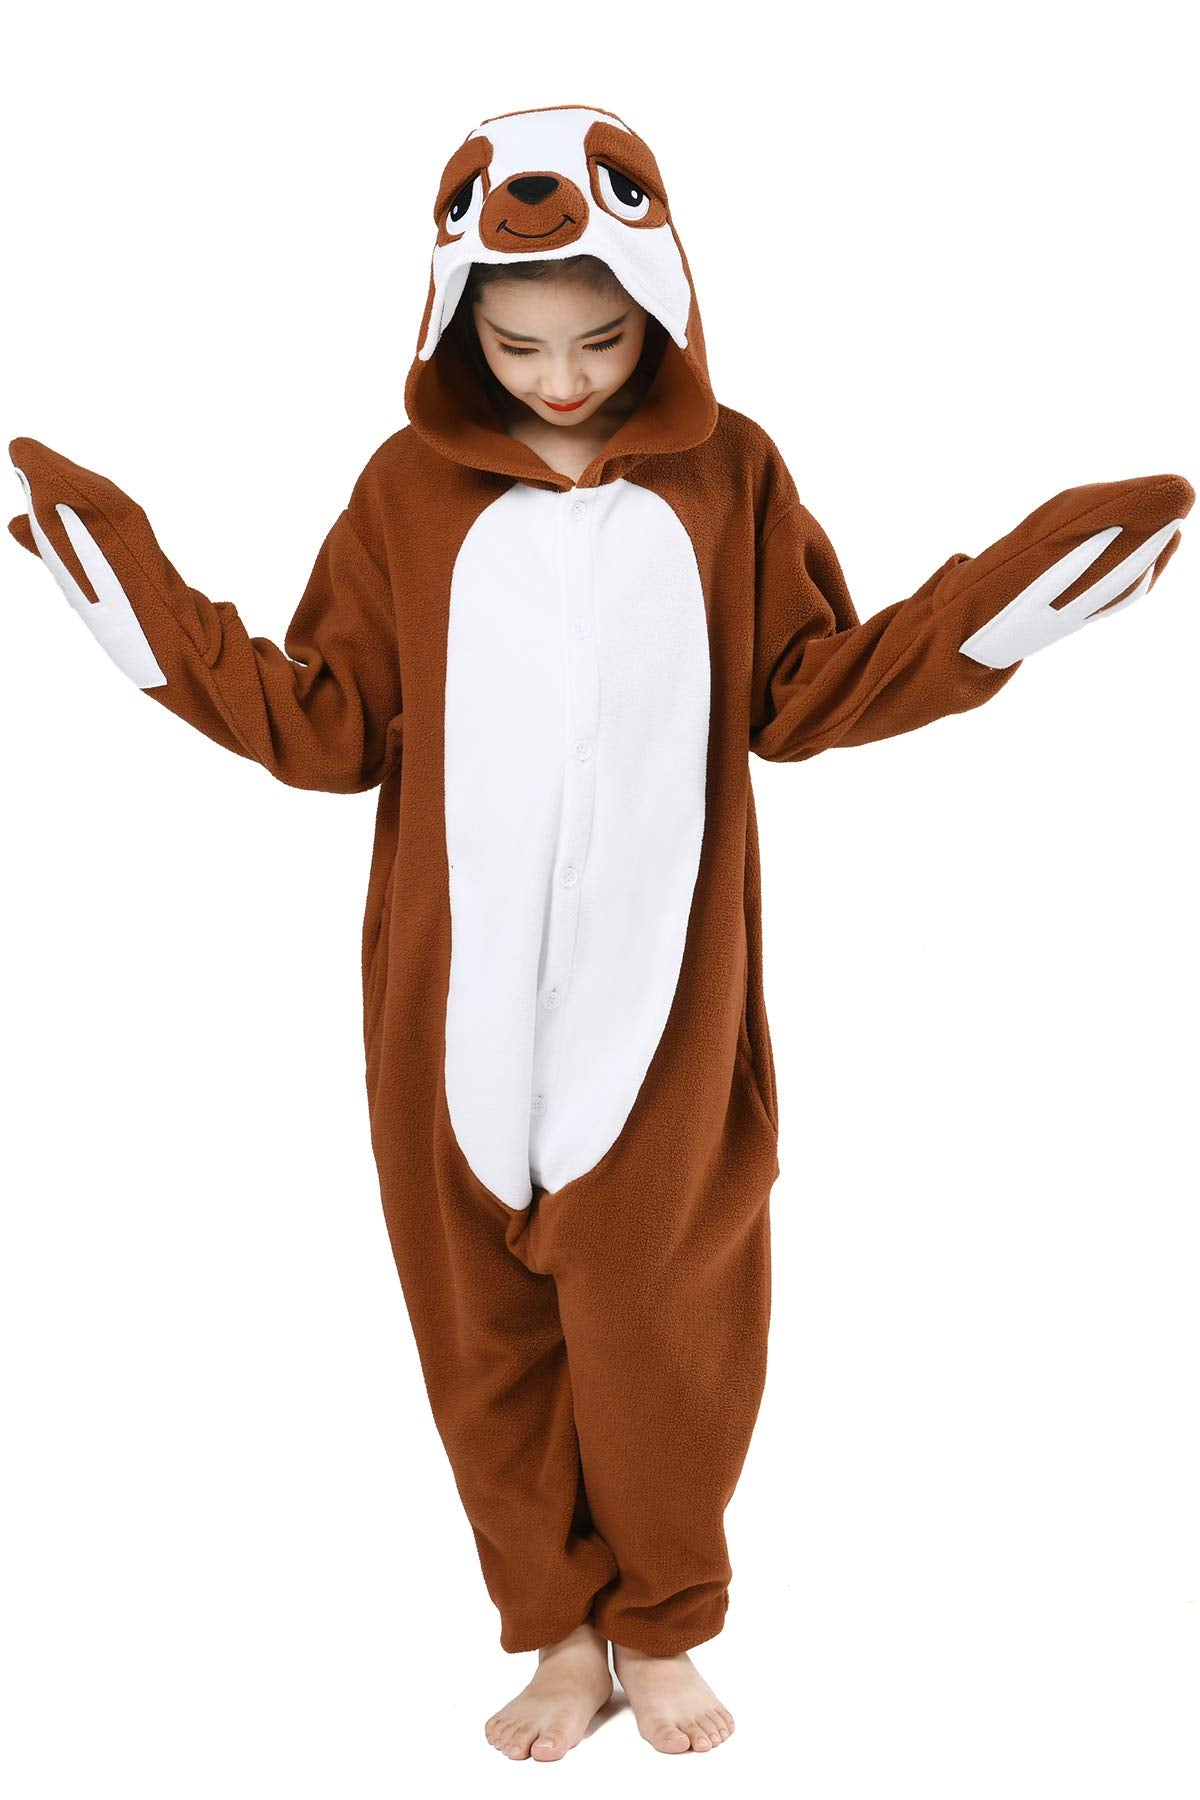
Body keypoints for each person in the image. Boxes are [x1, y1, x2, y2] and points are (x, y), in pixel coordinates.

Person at [8, 102, 1192, 1765]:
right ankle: (555, 1630)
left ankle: (664, 1617)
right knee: (481, 1333)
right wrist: (137, 613)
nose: (561, 380)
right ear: (454, 325)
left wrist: (1004, 612)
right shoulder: (405, 491)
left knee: (664, 1320)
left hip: (666, 995)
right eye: (517, 347)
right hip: (452, 999)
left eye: (599, 341)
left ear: (663, 304)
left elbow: (805, 691)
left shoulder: (729, 470)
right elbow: (327, 727)